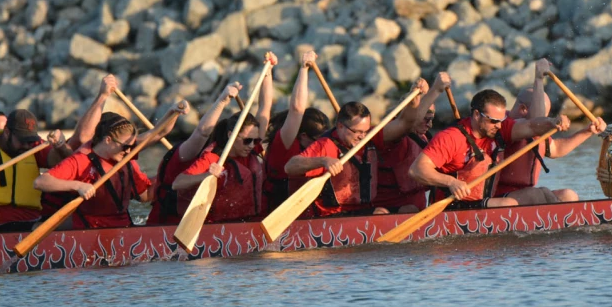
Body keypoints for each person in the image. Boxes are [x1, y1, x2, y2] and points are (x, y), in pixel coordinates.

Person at [283, 80, 427, 217]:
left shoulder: (370, 136)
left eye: (365, 131)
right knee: (380, 213)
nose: (362, 137)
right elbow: (290, 166)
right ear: (340, 126)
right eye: (357, 132)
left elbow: (404, 124)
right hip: (332, 215)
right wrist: (323, 161)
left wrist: (414, 101)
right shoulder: (326, 145)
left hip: (364, 210)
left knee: (410, 210)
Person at [408, 89, 570, 209]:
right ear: (477, 115)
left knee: (561, 195)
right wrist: (451, 182)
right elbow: (416, 170)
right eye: (493, 121)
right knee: (527, 198)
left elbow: (531, 125)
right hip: (453, 207)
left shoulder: (499, 130)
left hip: (482, 203)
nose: (499, 126)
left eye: (501, 120)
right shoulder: (451, 137)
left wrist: (553, 122)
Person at [497, 59, 607, 204]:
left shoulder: (536, 131)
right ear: (523, 109)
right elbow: (535, 121)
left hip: (525, 195)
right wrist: (538, 79)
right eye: (544, 116)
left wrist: (587, 131)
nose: (544, 122)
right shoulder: (504, 126)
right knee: (535, 195)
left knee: (569, 196)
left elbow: (556, 149)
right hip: (501, 197)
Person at [146, 82, 244, 225]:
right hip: (167, 226)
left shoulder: (229, 159)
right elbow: (202, 132)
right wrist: (222, 101)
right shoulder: (185, 155)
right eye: (247, 141)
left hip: (206, 225)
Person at [34, 114, 154, 229]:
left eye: (130, 148)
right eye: (125, 147)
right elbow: (39, 182)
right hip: (89, 229)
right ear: (107, 139)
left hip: (122, 227)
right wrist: (78, 186)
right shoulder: (82, 159)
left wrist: (172, 113)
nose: (128, 152)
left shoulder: (126, 161)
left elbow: (145, 195)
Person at [373, 72, 451, 213]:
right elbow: (408, 122)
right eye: (426, 118)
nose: (430, 125)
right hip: (389, 211)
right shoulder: (391, 135)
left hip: (419, 209)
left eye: (432, 118)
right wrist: (436, 90)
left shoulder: (424, 137)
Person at [263, 50, 330, 214]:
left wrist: (267, 71)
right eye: (317, 141)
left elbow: (264, 109)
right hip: (277, 212)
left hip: (308, 210)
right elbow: (296, 109)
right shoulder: (285, 143)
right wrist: (304, 68)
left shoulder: (321, 144)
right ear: (303, 136)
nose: (321, 145)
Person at [171, 112, 266, 223]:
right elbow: (177, 183)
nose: (251, 145)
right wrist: (207, 175)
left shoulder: (252, 152)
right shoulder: (213, 159)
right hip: (218, 225)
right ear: (231, 135)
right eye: (247, 140)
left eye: (256, 141)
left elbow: (264, 112)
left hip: (249, 221)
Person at [0, 110, 73, 232]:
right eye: (22, 141)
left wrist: (61, 146)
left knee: (72, 222)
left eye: (30, 141)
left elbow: (66, 163)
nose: (27, 146)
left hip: (31, 221)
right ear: (6, 132)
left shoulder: (35, 146)